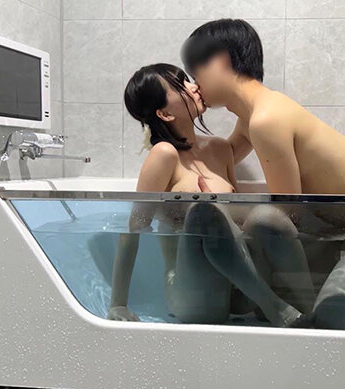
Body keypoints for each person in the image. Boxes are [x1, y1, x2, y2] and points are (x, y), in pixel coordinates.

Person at [182, 19, 345, 331]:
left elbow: (289, 212)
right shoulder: (253, 118)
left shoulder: (266, 119)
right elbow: (219, 160)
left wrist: (227, 205)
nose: (195, 84)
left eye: (196, 71)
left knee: (331, 322)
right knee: (323, 311)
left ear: (221, 60)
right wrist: (175, 127)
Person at [109, 63, 309, 327]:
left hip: (241, 289)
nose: (193, 87)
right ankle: (274, 306)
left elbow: (238, 223)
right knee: (204, 211)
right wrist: (118, 303)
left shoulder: (220, 149)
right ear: (165, 113)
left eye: (187, 79)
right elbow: (133, 231)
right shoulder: (164, 155)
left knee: (267, 216)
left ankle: (309, 306)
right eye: (181, 86)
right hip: (195, 294)